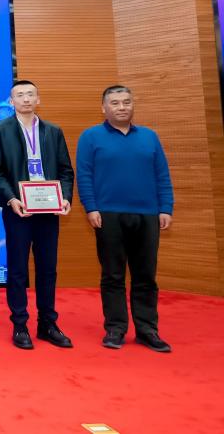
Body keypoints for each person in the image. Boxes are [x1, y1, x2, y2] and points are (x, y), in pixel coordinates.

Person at [76, 85, 174, 352]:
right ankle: (115, 328)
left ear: (133, 105)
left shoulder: (149, 137)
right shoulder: (90, 137)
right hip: (107, 215)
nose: (122, 107)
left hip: (148, 215)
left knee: (146, 275)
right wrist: (90, 207)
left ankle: (147, 330)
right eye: (115, 103)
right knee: (113, 275)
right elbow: (84, 175)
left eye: (126, 102)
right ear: (104, 108)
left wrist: (166, 207)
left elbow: (162, 174)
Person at [0, 80, 74, 350]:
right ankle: (20, 324)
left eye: (30, 94)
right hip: (18, 209)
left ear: (38, 99)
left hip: (48, 208)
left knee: (48, 268)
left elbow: (65, 170)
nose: (25, 99)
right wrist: (11, 198)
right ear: (11, 101)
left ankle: (48, 323)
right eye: (20, 95)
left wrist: (65, 198)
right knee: (17, 269)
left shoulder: (53, 131)